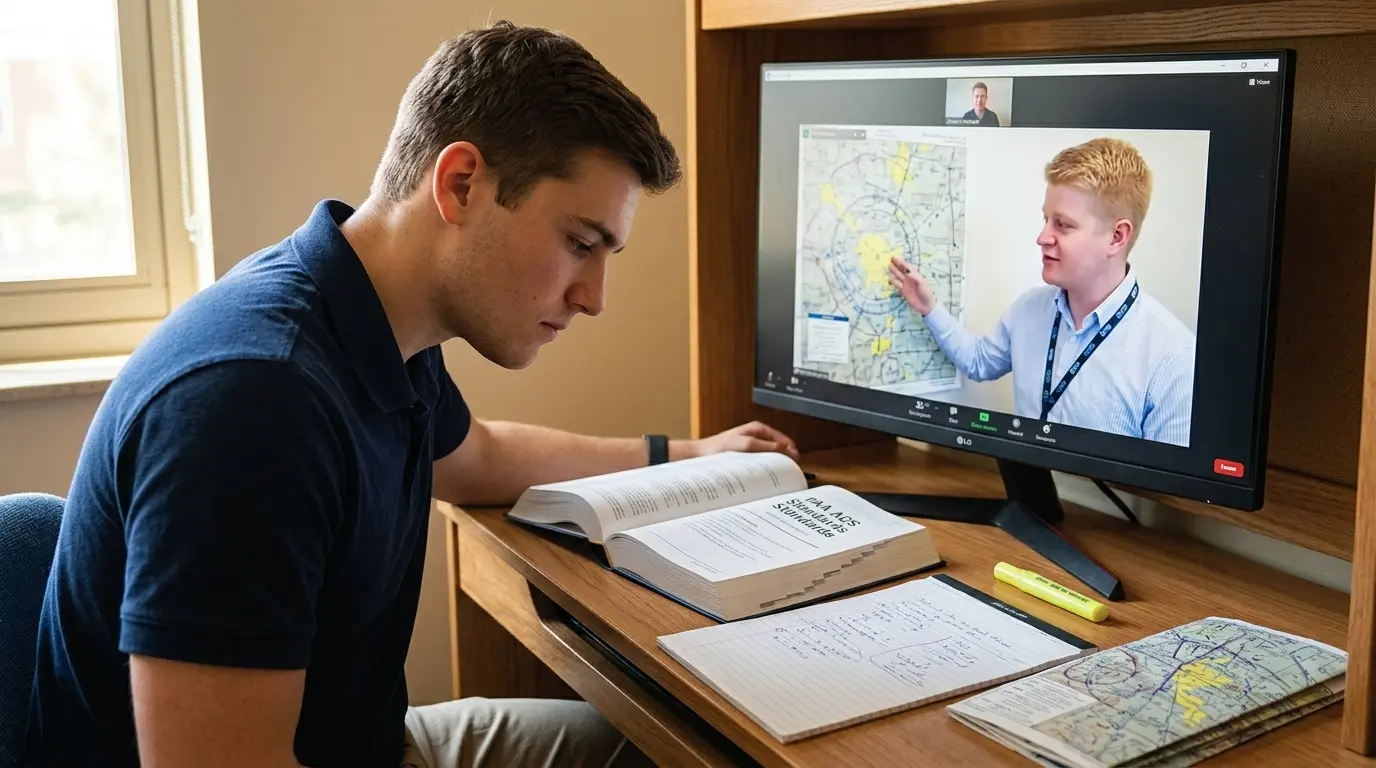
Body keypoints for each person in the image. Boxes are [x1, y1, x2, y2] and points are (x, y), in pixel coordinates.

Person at [24, 20, 800, 768]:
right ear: (461, 184)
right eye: (578, 244)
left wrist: (692, 457)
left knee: (680, 749)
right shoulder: (256, 405)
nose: (593, 297)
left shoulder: (375, 318)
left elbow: (477, 456)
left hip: (367, 746)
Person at [887, 137, 1196, 447]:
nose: (1042, 237)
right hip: (1024, 479)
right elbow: (979, 361)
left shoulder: (1173, 358)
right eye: (1045, 219)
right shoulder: (1029, 309)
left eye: (1063, 225)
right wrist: (929, 307)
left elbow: (1170, 476)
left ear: (1117, 237)